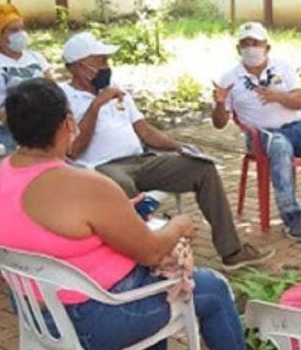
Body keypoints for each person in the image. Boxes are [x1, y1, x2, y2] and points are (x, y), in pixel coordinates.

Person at [0, 78, 282, 350]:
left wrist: (120, 214)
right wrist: (177, 225)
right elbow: (152, 249)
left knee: (143, 271)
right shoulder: (85, 185)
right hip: (93, 321)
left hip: (35, 313)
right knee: (210, 287)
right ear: (67, 123)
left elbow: (37, 230)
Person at [61, 32, 272, 270]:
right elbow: (74, 150)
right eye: (100, 61)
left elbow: (144, 130)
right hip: (99, 168)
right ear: (80, 66)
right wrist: (97, 105)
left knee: (203, 169)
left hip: (140, 160)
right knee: (123, 186)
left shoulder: (115, 89)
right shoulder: (62, 97)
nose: (106, 67)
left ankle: (231, 250)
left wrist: (178, 147)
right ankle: (148, 256)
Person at [212, 22, 301, 242]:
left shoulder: (283, 68)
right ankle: (290, 216)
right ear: (238, 49)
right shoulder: (228, 79)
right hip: (262, 133)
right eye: (245, 44)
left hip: (298, 126)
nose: (250, 48)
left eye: (255, 43)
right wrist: (219, 103)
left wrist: (277, 96)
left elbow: (300, 101)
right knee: (281, 149)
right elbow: (219, 123)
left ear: (267, 47)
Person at [0, 3, 53, 150]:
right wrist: (6, 118)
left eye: (22, 29)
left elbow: (52, 90)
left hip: (42, 126)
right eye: (13, 30)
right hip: (8, 129)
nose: (20, 34)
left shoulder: (36, 57)